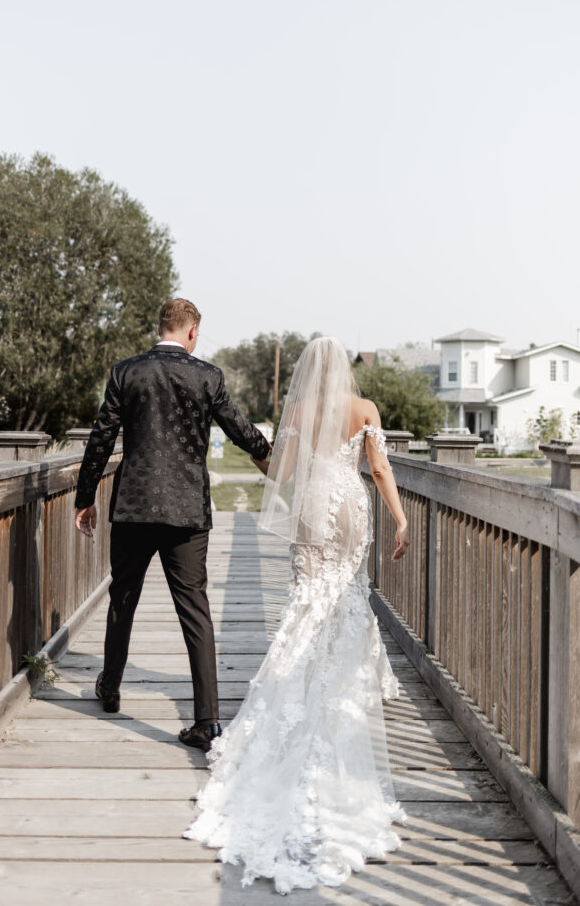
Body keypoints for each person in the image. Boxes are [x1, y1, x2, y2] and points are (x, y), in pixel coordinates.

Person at [183, 335, 409, 894]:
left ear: (309, 372)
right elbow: (378, 470)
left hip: (312, 506)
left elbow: (278, 474)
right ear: (345, 371)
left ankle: (298, 673)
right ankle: (348, 677)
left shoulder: (301, 410)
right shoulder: (365, 410)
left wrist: (287, 460)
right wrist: (400, 519)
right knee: (347, 592)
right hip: (350, 507)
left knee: (309, 594)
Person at [73, 298, 271, 752]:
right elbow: (240, 430)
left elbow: (101, 437)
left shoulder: (126, 372)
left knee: (123, 599)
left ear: (160, 326)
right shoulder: (207, 376)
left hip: (133, 507)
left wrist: (85, 499)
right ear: (192, 332)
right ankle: (206, 721)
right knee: (195, 612)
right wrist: (270, 460)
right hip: (186, 512)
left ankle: (110, 688)